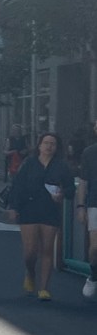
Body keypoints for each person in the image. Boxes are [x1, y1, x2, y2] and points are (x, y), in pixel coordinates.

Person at [6, 133, 75, 301]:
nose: (49, 146)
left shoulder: (61, 166)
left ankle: (44, 288)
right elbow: (17, 186)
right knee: (30, 252)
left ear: (56, 148)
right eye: (46, 143)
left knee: (47, 249)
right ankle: (30, 273)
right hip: (29, 209)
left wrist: (62, 194)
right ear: (39, 146)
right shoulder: (29, 163)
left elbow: (71, 189)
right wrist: (13, 207)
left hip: (50, 211)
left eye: (53, 143)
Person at [76, 120, 97, 298]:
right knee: (95, 246)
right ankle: (93, 275)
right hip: (95, 203)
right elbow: (83, 182)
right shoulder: (90, 152)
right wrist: (80, 206)